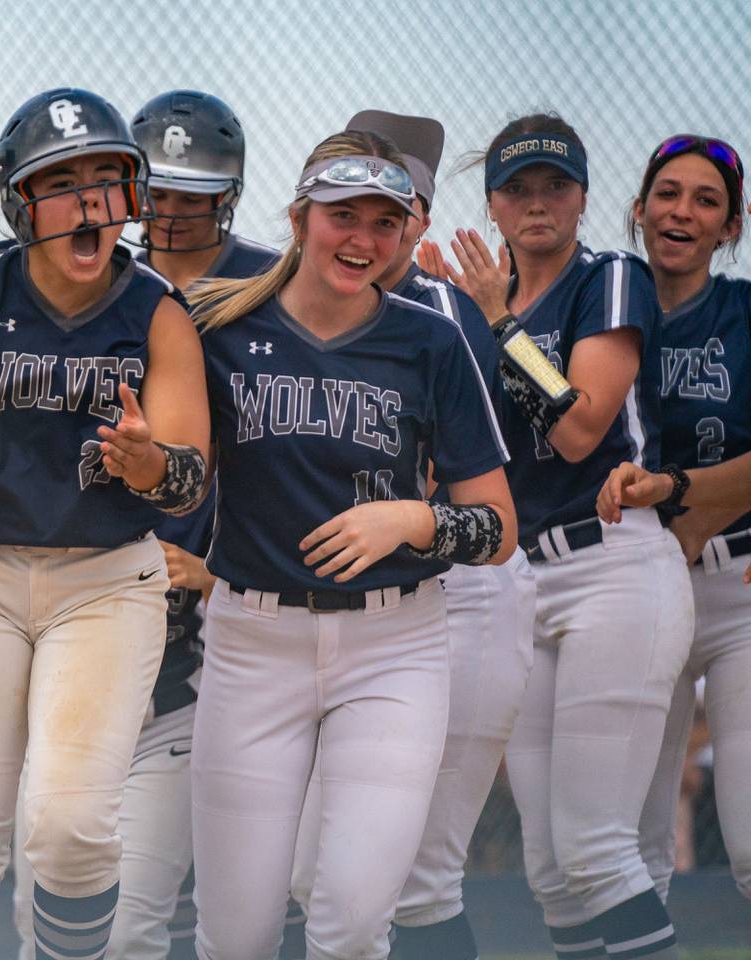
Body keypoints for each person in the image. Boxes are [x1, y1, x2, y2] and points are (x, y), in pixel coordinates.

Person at [0, 87, 209, 960]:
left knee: (69, 830)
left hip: (106, 579)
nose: (90, 201)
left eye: (109, 176)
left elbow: (188, 481)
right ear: (18, 201)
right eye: (62, 181)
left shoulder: (157, 312)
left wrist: (147, 461)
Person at [187, 130, 516, 960]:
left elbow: (499, 529)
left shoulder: (430, 341)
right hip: (252, 643)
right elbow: (180, 474)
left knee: (353, 918)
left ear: (408, 233)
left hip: (393, 645)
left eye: (385, 221)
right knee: (236, 936)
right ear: (301, 218)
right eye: (343, 216)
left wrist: (412, 520)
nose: (363, 240)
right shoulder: (217, 325)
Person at [7, 88, 273, 960]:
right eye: (162, 194)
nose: (177, 214)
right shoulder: (82, 290)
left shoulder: (269, 295)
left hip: (210, 635)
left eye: (199, 196)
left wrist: (225, 567)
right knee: (47, 906)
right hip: (72, 609)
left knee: (226, 902)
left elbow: (289, 471)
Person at [421, 114, 693, 960]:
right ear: (493, 206)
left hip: (615, 567)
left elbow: (579, 429)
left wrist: (498, 321)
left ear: (582, 197)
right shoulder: (471, 305)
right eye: (517, 188)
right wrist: (452, 314)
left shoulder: (608, 274)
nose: (537, 203)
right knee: (551, 867)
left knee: (595, 848)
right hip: (524, 579)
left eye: (555, 186)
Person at [281, 110, 538, 960]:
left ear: (418, 222)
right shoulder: (303, 311)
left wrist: (499, 316)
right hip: (371, 604)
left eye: (398, 210)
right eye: (351, 206)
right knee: (312, 873)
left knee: (418, 878)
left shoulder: (437, 312)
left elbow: (445, 485)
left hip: (464, 590)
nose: (377, 231)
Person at [591, 134, 751, 906]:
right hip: (630, 587)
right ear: (639, 210)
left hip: (737, 591)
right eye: (667, 194)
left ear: (732, 227)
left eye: (706, 200)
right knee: (630, 845)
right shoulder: (598, 309)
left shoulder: (746, 314)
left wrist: (682, 492)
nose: (681, 210)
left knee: (750, 844)